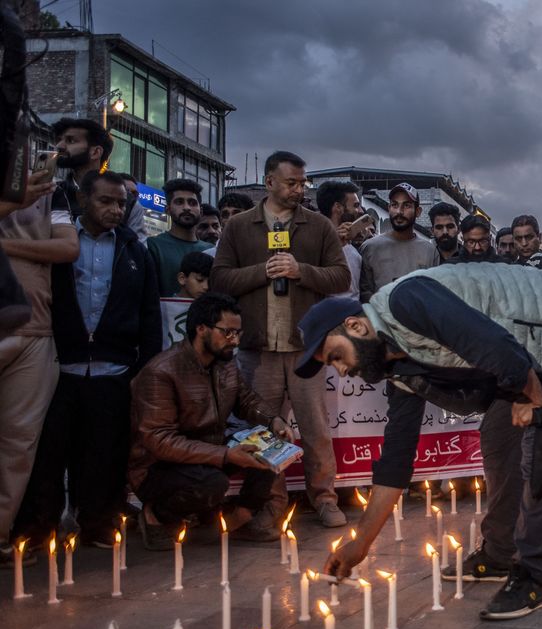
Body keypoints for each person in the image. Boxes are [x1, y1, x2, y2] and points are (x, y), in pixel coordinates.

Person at [310, 263, 542, 619]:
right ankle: (500, 553)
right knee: (500, 438)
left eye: (335, 356)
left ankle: (533, 576)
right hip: (524, 354)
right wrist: (360, 543)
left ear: (356, 326)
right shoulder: (397, 364)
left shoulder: (405, 301)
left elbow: (490, 341)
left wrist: (533, 397)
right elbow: (396, 459)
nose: (342, 370)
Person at [15, 170, 161, 547]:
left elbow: (148, 314)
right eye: (106, 201)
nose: (115, 210)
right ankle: (39, 527)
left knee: (104, 452)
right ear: (83, 201)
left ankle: (97, 522)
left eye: (121, 204)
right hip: (59, 365)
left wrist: (144, 369)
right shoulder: (57, 244)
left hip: (114, 370)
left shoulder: (134, 250)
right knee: (49, 453)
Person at [210, 150, 351, 529]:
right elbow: (219, 280)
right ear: (269, 182)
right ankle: (272, 504)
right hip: (258, 348)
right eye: (291, 183)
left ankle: (323, 497)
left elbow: (341, 278)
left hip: (306, 347)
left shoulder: (318, 225)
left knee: (316, 428)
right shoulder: (239, 226)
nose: (298, 190)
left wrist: (300, 270)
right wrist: (262, 271)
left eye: (302, 183)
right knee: (267, 432)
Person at [128, 292, 292, 548]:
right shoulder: (161, 372)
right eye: (227, 333)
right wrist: (225, 455)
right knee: (212, 483)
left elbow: (245, 399)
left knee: (269, 449)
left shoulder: (224, 363)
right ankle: (155, 515)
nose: (235, 341)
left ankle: (239, 519)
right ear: (201, 328)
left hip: (210, 450)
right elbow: (158, 440)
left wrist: (274, 420)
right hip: (157, 467)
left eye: (238, 333)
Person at [0, 167, 77, 563]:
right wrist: (14, 204)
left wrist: (4, 243)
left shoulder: (51, 191)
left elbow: (67, 249)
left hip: (34, 329)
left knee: (18, 444)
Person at [359, 183, 438, 302]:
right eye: (394, 205)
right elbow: (364, 293)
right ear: (388, 208)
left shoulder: (429, 251)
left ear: (418, 211)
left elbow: (433, 294)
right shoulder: (370, 247)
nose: (399, 211)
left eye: (406, 205)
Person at [146, 179, 210, 297]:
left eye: (192, 203)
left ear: (200, 211)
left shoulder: (211, 251)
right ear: (168, 209)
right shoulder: (153, 246)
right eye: (179, 202)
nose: (186, 208)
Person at [50, 118, 112, 220]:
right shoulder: (53, 193)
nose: (59, 146)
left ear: (95, 152)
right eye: (59, 140)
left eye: (71, 140)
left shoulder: (125, 200)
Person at [315, 180, 366, 301]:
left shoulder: (350, 242)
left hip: (353, 314)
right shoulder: (317, 243)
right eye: (355, 205)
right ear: (338, 207)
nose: (360, 211)